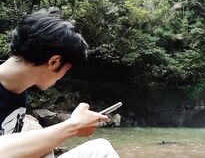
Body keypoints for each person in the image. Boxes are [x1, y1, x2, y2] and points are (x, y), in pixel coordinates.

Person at [0, 8, 120, 158]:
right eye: (67, 69)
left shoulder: (18, 89)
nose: (63, 76)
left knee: (101, 150)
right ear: (54, 62)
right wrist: (72, 126)